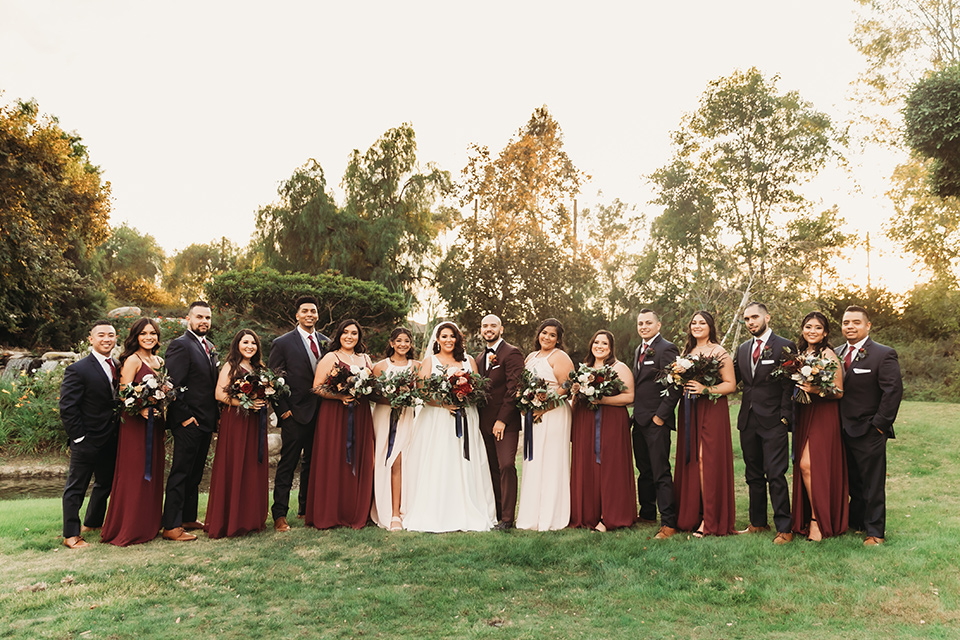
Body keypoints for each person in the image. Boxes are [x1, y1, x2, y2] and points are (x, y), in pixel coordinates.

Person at [403, 322, 497, 532]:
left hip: (465, 415)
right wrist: (443, 403)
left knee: (465, 461)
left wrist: (465, 396)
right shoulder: (430, 361)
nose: (448, 340)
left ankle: (468, 507)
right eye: (444, 336)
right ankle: (437, 510)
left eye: (452, 336)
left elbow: (478, 387)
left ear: (457, 339)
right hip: (438, 418)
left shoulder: (468, 360)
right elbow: (422, 392)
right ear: (437, 339)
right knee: (440, 459)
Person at [836, 305, 903, 546]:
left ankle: (875, 532)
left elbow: (892, 392)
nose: (850, 326)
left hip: (869, 430)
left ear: (867, 326)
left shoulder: (883, 354)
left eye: (855, 322)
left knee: (873, 483)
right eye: (846, 322)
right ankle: (857, 523)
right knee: (853, 481)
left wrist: (879, 426)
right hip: (839, 429)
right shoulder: (834, 353)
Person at [733, 302, 797, 544]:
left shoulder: (784, 346)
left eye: (755, 317)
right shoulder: (741, 349)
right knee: (753, 474)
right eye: (747, 319)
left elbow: (789, 384)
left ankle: (784, 528)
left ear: (767, 317)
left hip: (774, 421)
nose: (751, 322)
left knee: (776, 473)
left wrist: (784, 417)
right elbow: (735, 379)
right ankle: (758, 522)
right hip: (747, 420)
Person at [101, 318, 166, 546]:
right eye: (144, 333)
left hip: (155, 424)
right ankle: (129, 527)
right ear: (136, 336)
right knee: (135, 473)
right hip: (136, 425)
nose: (149, 337)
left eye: (153, 333)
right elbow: (123, 393)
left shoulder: (159, 360)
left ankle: (149, 524)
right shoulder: (132, 360)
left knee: (153, 471)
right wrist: (141, 409)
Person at [305, 319, 375, 529]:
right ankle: (331, 513)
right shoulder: (331, 357)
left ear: (359, 337)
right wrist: (339, 396)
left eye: (354, 333)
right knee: (334, 459)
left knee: (359, 459)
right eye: (345, 332)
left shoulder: (365, 358)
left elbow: (372, 385)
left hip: (360, 414)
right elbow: (317, 388)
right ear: (339, 335)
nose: (349, 336)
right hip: (335, 415)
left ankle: (356, 511)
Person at [673, 311, 738, 537]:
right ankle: (692, 515)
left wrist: (705, 389)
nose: (697, 326)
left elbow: (731, 385)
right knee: (691, 460)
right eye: (693, 322)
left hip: (711, 409)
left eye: (702, 323)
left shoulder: (719, 352)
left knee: (706, 461)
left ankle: (710, 520)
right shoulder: (687, 352)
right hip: (690, 409)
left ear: (711, 326)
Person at [268, 296, 328, 532]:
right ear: (297, 315)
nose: (309, 315)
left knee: (312, 464)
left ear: (317, 314)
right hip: (293, 413)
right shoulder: (282, 343)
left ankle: (305, 509)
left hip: (321, 413)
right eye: (305, 311)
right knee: (287, 464)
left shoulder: (326, 342)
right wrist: (283, 412)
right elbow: (274, 380)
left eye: (313, 311)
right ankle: (280, 515)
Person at [59, 320, 120, 549]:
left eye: (111, 335)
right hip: (87, 439)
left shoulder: (117, 364)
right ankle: (70, 534)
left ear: (116, 338)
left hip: (111, 438)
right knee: (76, 487)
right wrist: (79, 437)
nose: (107, 339)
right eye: (101, 335)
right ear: (91, 339)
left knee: (105, 483)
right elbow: (68, 407)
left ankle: (93, 523)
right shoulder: (78, 369)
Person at [162, 301, 219, 542]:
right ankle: (171, 526)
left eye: (207, 317)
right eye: (199, 317)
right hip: (188, 421)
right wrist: (184, 417)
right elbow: (171, 386)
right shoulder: (180, 345)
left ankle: (187, 517)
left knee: (195, 473)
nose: (204, 321)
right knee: (181, 473)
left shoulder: (209, 347)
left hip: (206, 421)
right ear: (188, 319)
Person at [569, 330, 637, 532]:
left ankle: (611, 515)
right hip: (585, 420)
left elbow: (629, 396)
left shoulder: (618, 367)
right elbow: (576, 399)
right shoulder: (583, 368)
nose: (599, 346)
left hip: (611, 422)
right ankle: (588, 514)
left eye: (604, 343)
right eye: (596, 342)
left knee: (610, 466)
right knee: (587, 465)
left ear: (610, 348)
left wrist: (603, 400)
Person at [205, 330, 270, 539]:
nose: (250, 346)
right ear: (237, 345)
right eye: (245, 342)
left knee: (252, 466)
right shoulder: (231, 366)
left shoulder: (260, 368)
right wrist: (246, 403)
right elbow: (219, 394)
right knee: (235, 465)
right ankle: (231, 520)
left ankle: (250, 518)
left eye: (253, 343)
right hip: (237, 421)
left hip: (255, 422)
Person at [789, 312, 848, 541]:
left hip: (823, 413)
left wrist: (816, 390)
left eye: (817, 328)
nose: (812, 331)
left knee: (808, 464)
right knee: (806, 466)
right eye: (808, 326)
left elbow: (839, 391)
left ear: (825, 332)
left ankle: (818, 520)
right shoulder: (802, 354)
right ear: (803, 329)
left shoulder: (828, 354)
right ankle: (810, 517)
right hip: (804, 413)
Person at [515, 319, 575, 531]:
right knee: (533, 461)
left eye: (552, 335)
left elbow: (567, 386)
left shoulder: (559, 357)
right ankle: (531, 515)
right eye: (544, 333)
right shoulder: (531, 357)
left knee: (551, 461)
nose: (547, 338)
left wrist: (545, 405)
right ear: (538, 334)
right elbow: (523, 384)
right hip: (533, 413)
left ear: (558, 339)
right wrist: (525, 402)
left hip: (554, 413)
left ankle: (551, 516)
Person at [631, 309, 682, 540]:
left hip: (656, 420)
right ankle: (648, 512)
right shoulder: (637, 350)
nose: (643, 326)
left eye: (648, 323)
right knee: (644, 470)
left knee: (661, 471)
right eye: (640, 323)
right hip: (639, 420)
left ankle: (668, 522)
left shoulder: (667, 348)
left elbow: (675, 384)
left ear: (658, 325)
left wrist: (661, 416)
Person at [476, 314, 525, 530]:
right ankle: (495, 513)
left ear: (501, 329)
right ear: (481, 330)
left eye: (493, 326)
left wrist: (502, 420)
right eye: (485, 326)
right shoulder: (478, 358)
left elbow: (514, 389)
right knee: (492, 468)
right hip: (483, 422)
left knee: (506, 466)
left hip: (505, 423)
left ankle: (507, 518)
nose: (489, 329)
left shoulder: (511, 353)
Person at [370, 327, 420, 531]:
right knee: (383, 461)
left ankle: (397, 513)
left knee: (400, 460)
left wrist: (407, 398)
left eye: (406, 341)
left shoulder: (416, 366)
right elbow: (371, 395)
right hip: (383, 417)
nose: (402, 344)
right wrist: (391, 398)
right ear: (391, 343)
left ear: (410, 344)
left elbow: (422, 392)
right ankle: (382, 507)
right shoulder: (380, 366)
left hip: (407, 416)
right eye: (398, 340)